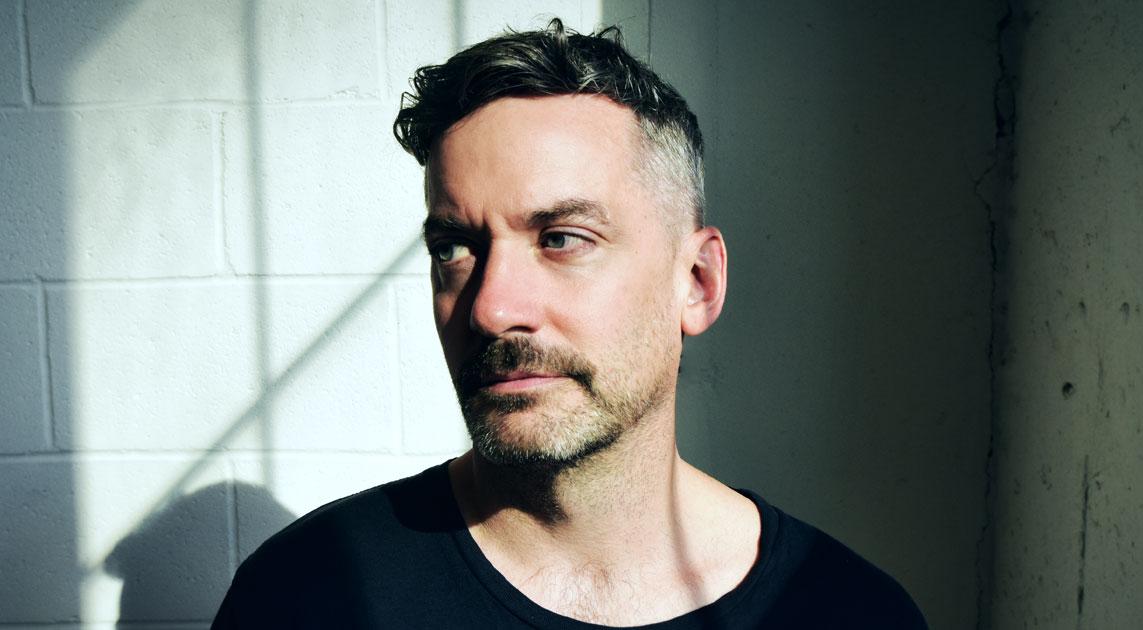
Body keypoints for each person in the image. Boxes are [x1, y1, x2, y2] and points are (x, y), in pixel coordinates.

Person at [211, 20, 926, 629]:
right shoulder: (307, 594)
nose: (491, 309)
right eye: (454, 249)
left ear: (697, 283)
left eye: (561, 238)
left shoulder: (847, 610)